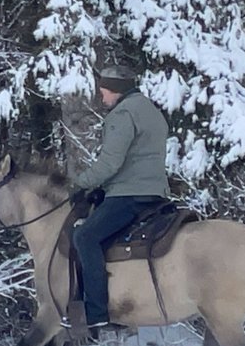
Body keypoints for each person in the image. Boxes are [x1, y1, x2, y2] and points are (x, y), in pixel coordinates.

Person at [67, 65, 169, 329]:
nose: (102, 98)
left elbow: (111, 162)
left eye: (104, 92)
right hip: (155, 191)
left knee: (84, 236)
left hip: (130, 194)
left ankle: (96, 313)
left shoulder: (123, 114)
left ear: (116, 90)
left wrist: (82, 182)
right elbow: (137, 158)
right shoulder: (151, 110)